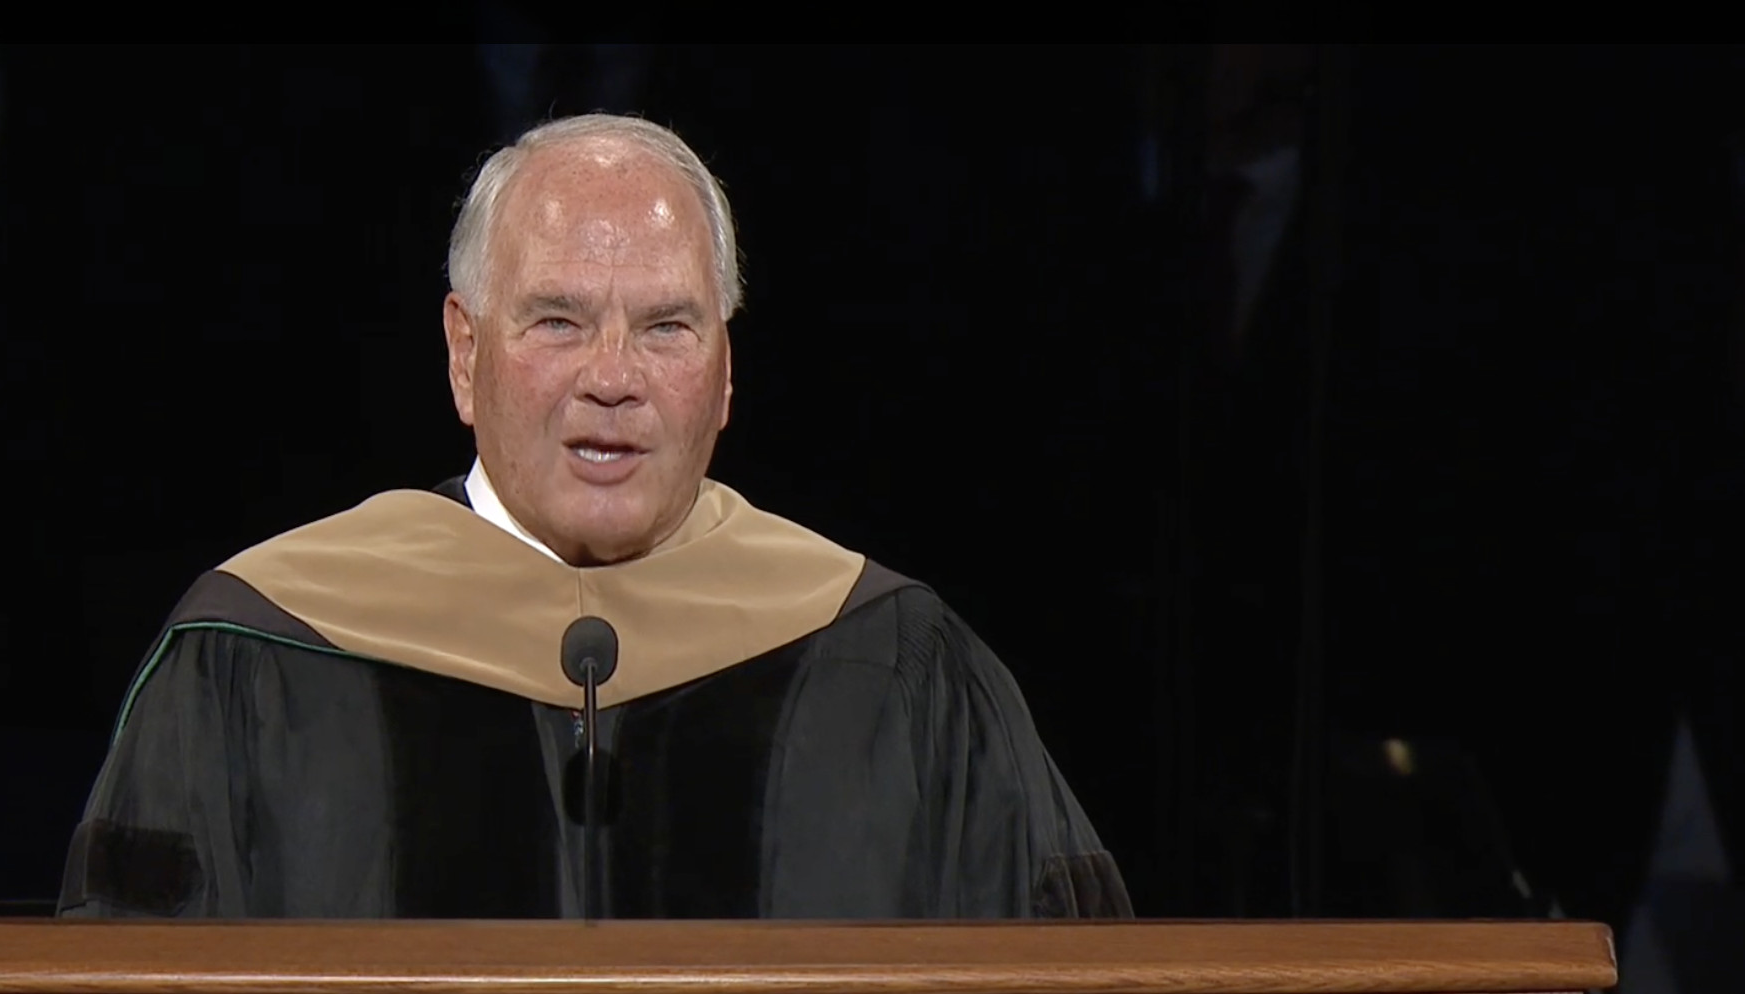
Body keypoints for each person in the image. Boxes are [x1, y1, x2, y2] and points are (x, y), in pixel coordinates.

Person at [58, 114, 1128, 921]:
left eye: (666, 326)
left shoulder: (893, 660)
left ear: (724, 375)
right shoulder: (259, 651)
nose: (612, 378)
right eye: (558, 321)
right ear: (464, 355)